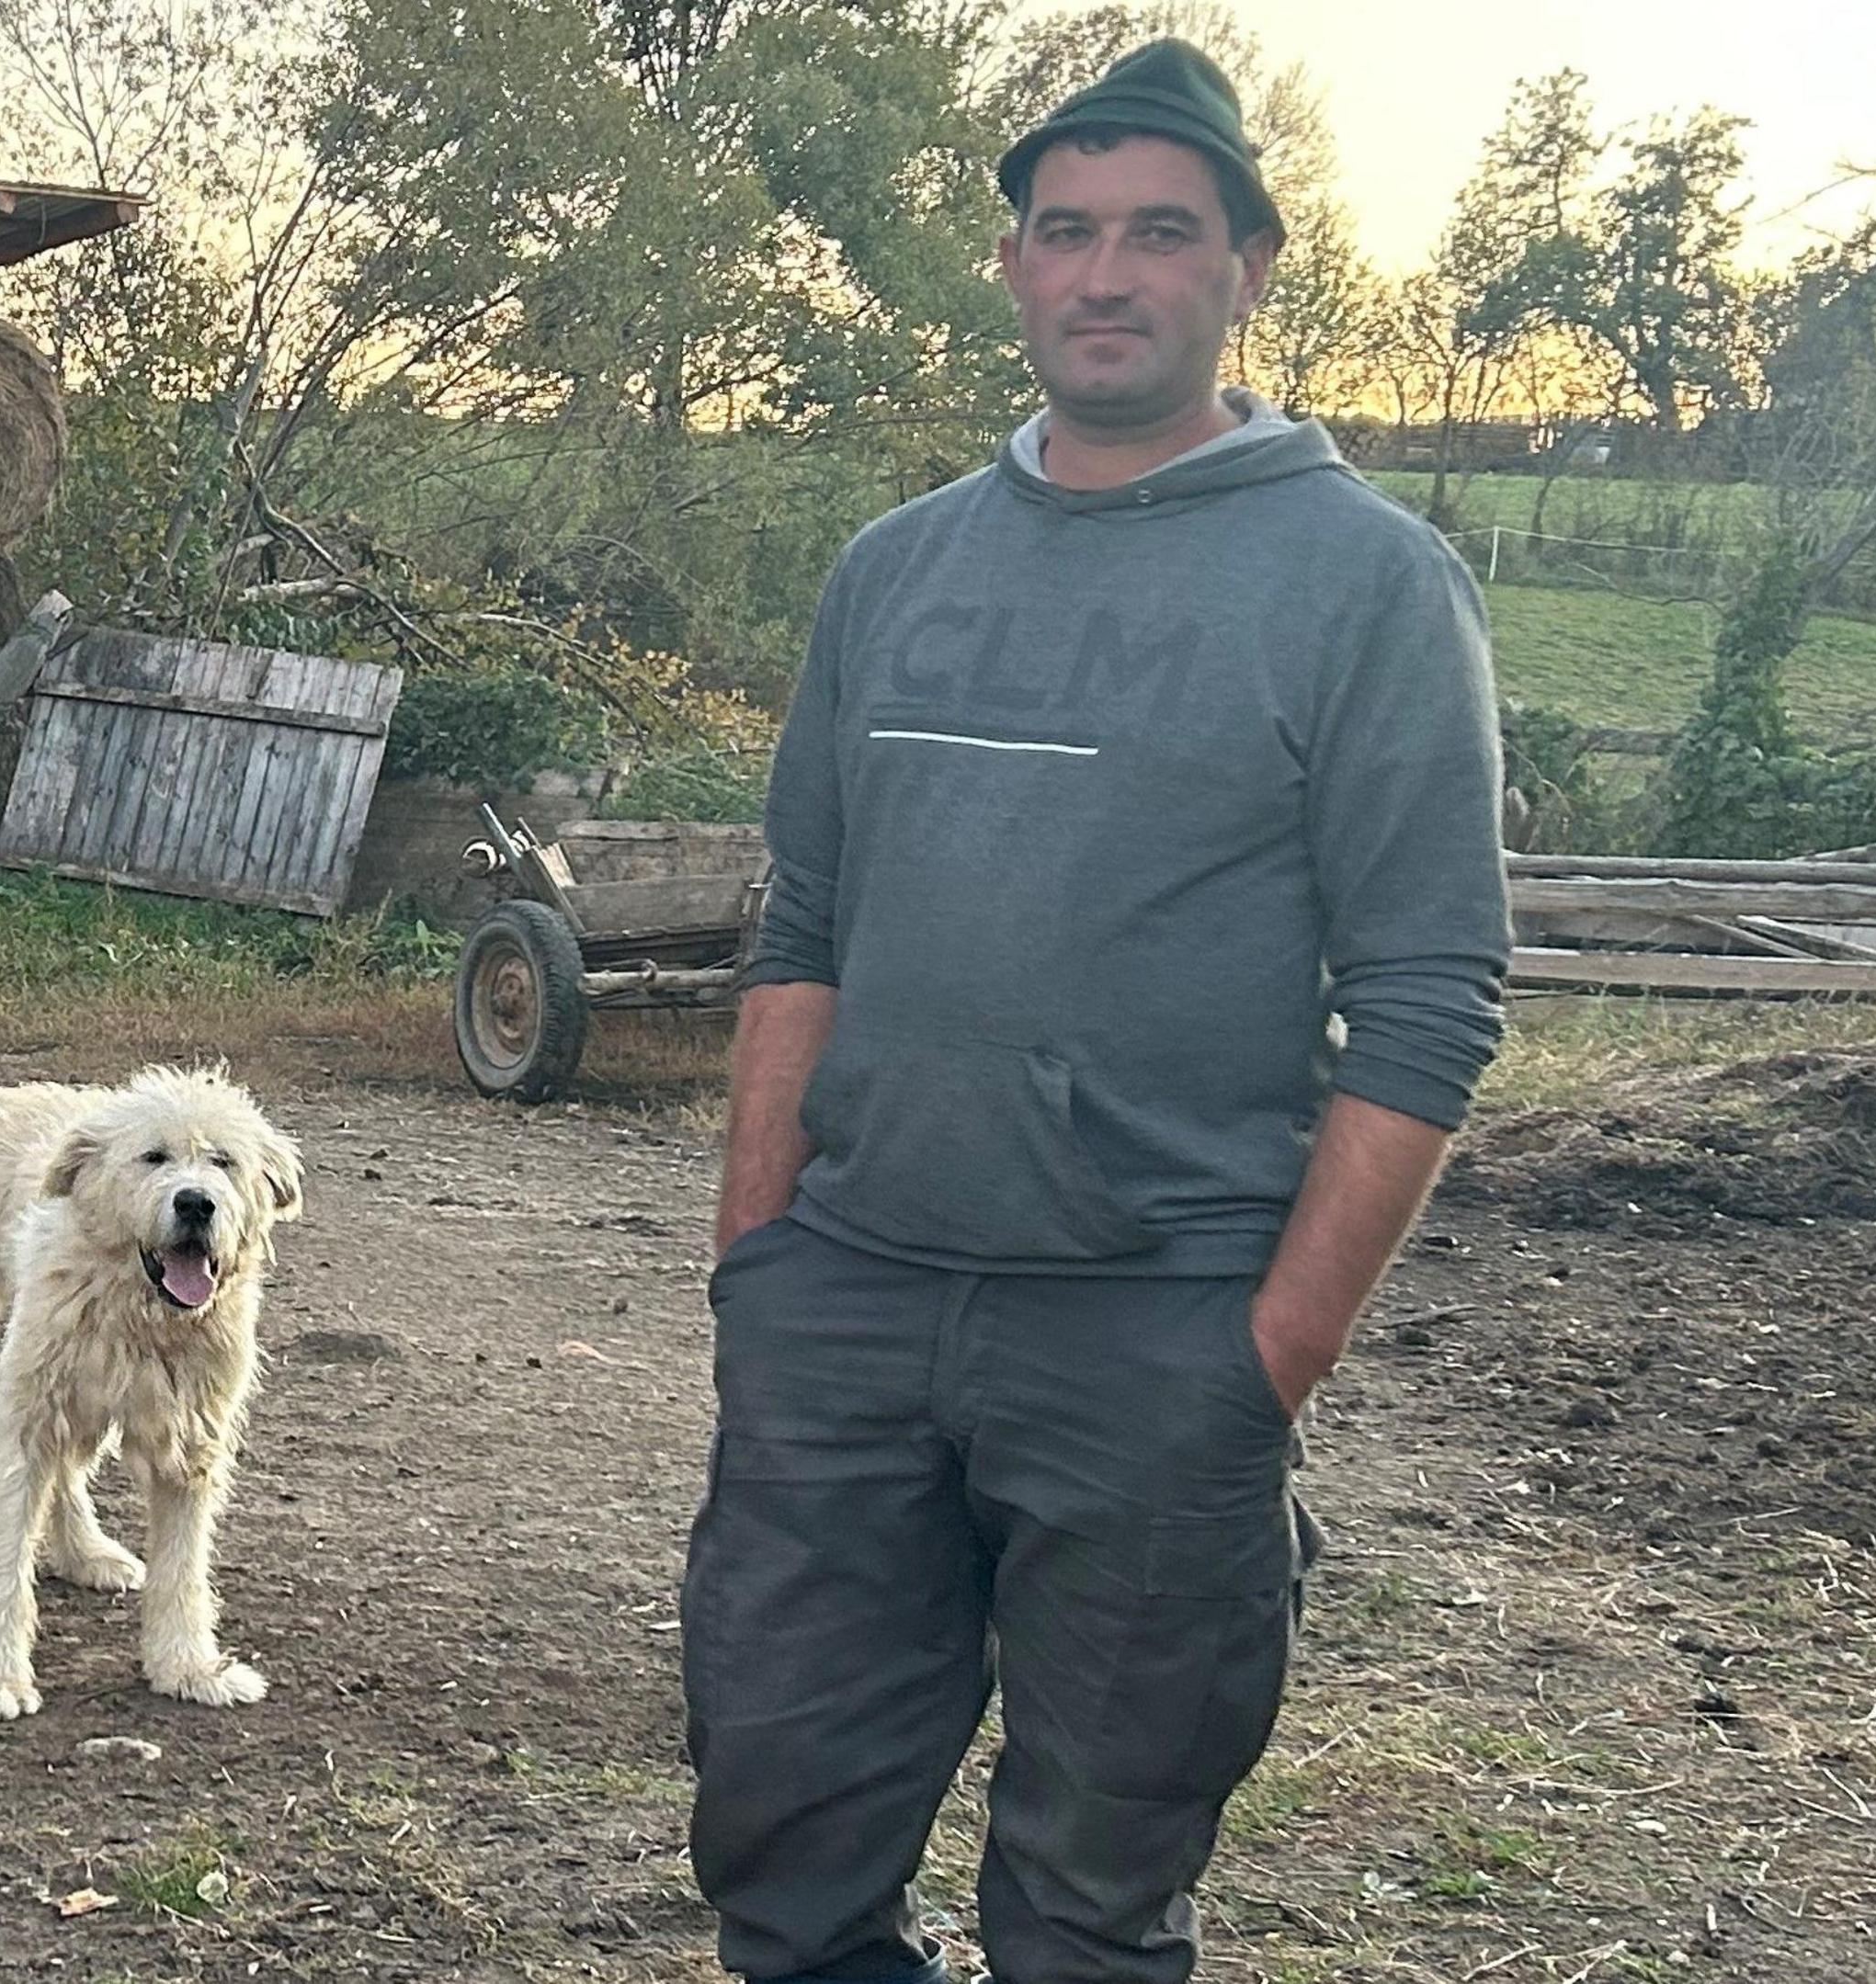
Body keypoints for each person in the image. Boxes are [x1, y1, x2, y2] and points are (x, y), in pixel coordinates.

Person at [680, 38, 1512, 1984]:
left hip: (1154, 1334)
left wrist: (1257, 1368)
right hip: (853, 1312)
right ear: (1015, 268)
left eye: (1160, 231)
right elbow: (802, 927)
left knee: (1087, 1906)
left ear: (1249, 266)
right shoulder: (898, 571)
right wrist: (761, 1268)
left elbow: (1425, 1000)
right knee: (780, 1861)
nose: (1107, 274)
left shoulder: (1367, 586)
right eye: (1066, 232)